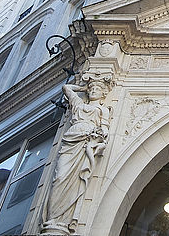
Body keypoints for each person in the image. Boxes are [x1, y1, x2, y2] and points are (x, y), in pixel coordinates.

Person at [42, 78, 111, 235]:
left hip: (86, 142)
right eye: (91, 89)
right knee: (60, 177)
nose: (93, 91)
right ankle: (54, 218)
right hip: (71, 139)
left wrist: (99, 139)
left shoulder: (102, 110)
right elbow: (66, 87)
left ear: (103, 93)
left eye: (97, 89)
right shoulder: (79, 105)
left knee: (75, 179)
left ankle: (62, 221)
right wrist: (83, 87)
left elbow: (104, 130)